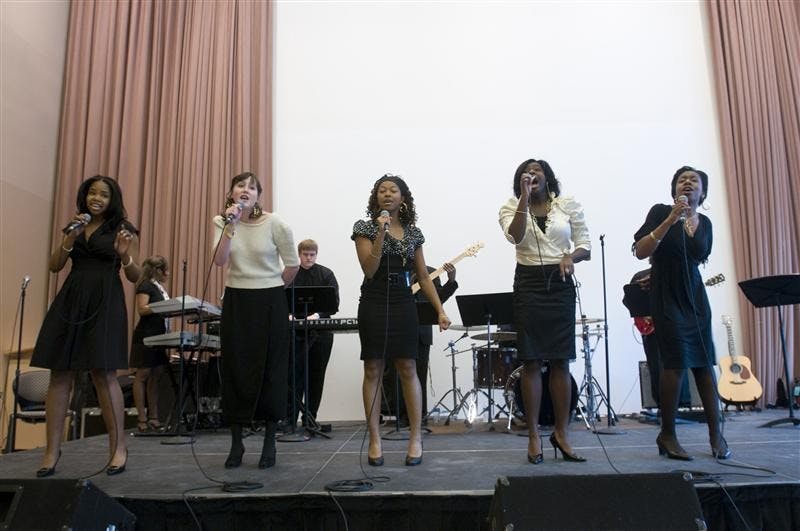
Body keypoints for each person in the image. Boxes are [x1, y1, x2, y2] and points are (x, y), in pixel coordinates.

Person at [31, 175, 139, 477]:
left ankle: (118, 448)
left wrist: (124, 254)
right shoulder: (75, 226)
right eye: (92, 192)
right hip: (72, 299)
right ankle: (51, 451)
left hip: (105, 301)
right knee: (60, 373)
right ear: (85, 196)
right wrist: (68, 239)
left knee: (104, 374)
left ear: (112, 199)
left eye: (103, 194)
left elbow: (134, 275)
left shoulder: (123, 229)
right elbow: (54, 265)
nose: (97, 198)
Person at [352, 174, 451, 466]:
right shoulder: (364, 228)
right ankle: (374, 439)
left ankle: (415, 437)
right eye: (382, 190)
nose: (387, 194)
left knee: (408, 366)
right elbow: (369, 269)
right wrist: (380, 233)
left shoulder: (413, 232)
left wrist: (440, 310)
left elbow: (422, 276)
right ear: (376, 198)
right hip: (372, 299)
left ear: (402, 198)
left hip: (403, 301)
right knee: (373, 368)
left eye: (393, 190)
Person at [633, 165, 730, 460]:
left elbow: (699, 255)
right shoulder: (661, 211)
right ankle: (667, 434)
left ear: (702, 192)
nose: (687, 183)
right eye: (681, 180)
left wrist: (689, 220)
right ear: (674, 189)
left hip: (695, 298)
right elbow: (641, 249)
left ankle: (716, 435)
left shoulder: (707, 223)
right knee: (674, 364)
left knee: (704, 365)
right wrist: (672, 219)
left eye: (694, 181)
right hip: (666, 296)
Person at [499, 159, 591, 464]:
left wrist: (570, 255)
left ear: (548, 177)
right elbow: (515, 236)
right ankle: (534, 435)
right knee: (531, 361)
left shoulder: (568, 205)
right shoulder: (510, 207)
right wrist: (525, 197)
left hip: (561, 282)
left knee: (561, 360)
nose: (532, 174)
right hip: (528, 284)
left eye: (537, 170)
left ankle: (562, 433)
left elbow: (585, 244)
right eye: (526, 172)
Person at [212, 171, 299, 469]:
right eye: (240, 185)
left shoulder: (276, 224)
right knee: (235, 366)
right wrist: (230, 225)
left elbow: (292, 265)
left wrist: (271, 287)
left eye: (252, 187)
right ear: (232, 192)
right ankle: (236, 443)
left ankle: (269, 441)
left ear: (259, 196)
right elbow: (220, 260)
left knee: (271, 368)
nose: (245, 190)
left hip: (270, 300)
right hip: (237, 299)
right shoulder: (223, 221)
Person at [383, 263, 458, 425]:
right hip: (398, 329)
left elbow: (438, 299)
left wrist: (451, 281)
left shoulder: (431, 272)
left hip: (421, 332)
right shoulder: (394, 271)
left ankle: (419, 416)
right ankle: (402, 416)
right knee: (397, 375)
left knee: (419, 375)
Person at [286, 239, 339, 428]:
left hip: (320, 334)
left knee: (316, 378)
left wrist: (316, 315)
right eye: (305, 254)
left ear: (316, 255)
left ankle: (310, 419)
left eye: (312, 255)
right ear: (299, 254)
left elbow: (334, 304)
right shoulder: (289, 274)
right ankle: (289, 420)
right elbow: (279, 299)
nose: (309, 258)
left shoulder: (326, 274)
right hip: (293, 333)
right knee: (293, 377)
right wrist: (289, 315)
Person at [130, 255, 171, 433]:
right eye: (165, 270)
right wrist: (163, 308)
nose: (168, 274)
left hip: (159, 335)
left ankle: (154, 417)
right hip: (146, 335)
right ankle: (142, 418)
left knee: (157, 373)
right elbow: (142, 308)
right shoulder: (145, 285)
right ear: (158, 271)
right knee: (143, 374)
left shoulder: (158, 287)